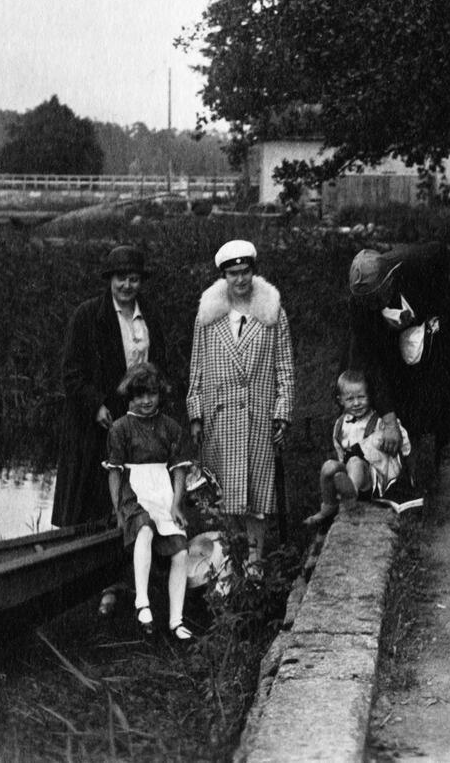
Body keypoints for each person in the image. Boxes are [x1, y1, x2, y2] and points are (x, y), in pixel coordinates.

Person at [50, 244, 169, 616]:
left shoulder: (150, 316)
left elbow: (160, 365)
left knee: (137, 499)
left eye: (134, 278)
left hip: (139, 423)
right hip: (96, 425)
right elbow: (72, 373)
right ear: (110, 280)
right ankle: (96, 586)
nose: (127, 285)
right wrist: (96, 404)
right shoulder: (88, 316)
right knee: (99, 501)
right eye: (121, 278)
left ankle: (132, 581)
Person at [345, 242, 450, 486]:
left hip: (433, 312)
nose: (371, 306)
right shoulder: (361, 308)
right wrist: (390, 419)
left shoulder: (420, 268)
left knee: (438, 373)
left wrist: (431, 324)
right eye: (366, 302)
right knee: (369, 374)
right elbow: (372, 363)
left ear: (389, 282)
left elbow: (448, 294)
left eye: (375, 299)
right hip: (391, 336)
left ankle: (443, 439)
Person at [187, 239, 294, 571]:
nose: (240, 280)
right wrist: (195, 413)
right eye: (233, 273)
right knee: (224, 492)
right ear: (224, 276)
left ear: (254, 271)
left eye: (245, 272)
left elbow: (285, 367)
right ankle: (230, 560)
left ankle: (255, 561)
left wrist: (283, 411)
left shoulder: (272, 311)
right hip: (219, 415)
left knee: (256, 493)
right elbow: (197, 368)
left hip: (257, 414)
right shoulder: (207, 314)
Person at [104, 363, 194, 641]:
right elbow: (115, 474)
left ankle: (176, 620)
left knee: (180, 550)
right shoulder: (120, 428)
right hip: (134, 492)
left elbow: (179, 469)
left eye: (151, 394)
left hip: (162, 492)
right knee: (143, 528)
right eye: (139, 395)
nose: (146, 401)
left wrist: (177, 504)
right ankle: (142, 603)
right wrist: (119, 509)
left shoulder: (170, 427)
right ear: (130, 396)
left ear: (159, 395)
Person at [303, 369, 413, 527]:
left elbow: (400, 437)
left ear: (370, 396)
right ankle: (329, 506)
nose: (356, 403)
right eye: (350, 399)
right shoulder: (340, 424)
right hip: (351, 470)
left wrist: (406, 455)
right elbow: (340, 451)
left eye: (361, 397)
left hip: (373, 477)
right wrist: (340, 470)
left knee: (355, 461)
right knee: (329, 467)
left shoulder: (378, 420)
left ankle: (350, 494)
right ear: (340, 400)